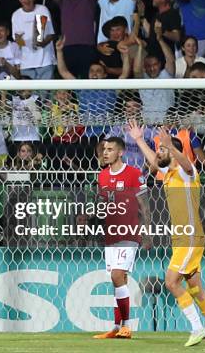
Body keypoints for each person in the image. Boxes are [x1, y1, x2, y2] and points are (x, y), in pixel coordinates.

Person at [128, 121, 205, 346]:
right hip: (182, 237)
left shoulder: (188, 172)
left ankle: (197, 328)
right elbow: (153, 162)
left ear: (174, 151)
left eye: (163, 150)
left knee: (171, 282)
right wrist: (139, 140)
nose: (159, 154)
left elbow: (187, 163)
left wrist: (171, 145)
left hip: (190, 236)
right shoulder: (168, 173)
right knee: (195, 288)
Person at [93, 137, 150, 340]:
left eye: (110, 149)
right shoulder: (102, 176)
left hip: (129, 232)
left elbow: (144, 204)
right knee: (118, 280)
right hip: (111, 234)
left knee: (117, 275)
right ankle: (117, 327)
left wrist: (147, 232)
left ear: (120, 152)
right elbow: (103, 204)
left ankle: (126, 326)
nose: (105, 152)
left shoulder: (134, 174)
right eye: (104, 149)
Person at [11, 0, 56, 79]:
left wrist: (43, 42)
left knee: (44, 94)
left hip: (45, 61)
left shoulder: (42, 9)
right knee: (29, 94)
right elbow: (17, 40)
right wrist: (20, 40)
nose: (26, 0)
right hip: (26, 63)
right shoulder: (16, 15)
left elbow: (51, 34)